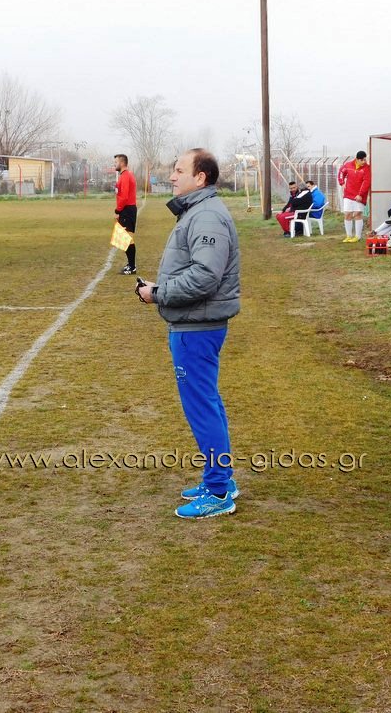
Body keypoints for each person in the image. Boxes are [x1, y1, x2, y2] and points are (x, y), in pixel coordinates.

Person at [136, 149, 241, 519]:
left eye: (179, 170)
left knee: (201, 406)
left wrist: (159, 293)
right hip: (195, 323)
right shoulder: (197, 211)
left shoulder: (207, 215)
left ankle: (218, 492)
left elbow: (205, 276)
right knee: (207, 401)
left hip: (197, 326)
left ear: (201, 177)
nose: (172, 176)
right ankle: (221, 479)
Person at [337, 150, 371, 243]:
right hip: (348, 194)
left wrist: (360, 194)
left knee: (357, 214)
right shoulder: (348, 165)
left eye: (365, 159)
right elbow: (341, 172)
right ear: (357, 159)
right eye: (362, 160)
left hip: (359, 196)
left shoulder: (367, 168)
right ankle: (348, 236)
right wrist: (342, 183)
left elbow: (366, 182)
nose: (364, 162)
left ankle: (357, 236)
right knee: (347, 214)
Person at [114, 154, 138, 274]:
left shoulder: (125, 176)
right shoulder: (125, 175)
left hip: (127, 209)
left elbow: (124, 197)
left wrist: (118, 210)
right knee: (124, 238)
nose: (114, 164)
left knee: (127, 238)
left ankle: (132, 267)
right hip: (127, 209)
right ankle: (130, 264)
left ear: (122, 163)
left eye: (116, 162)